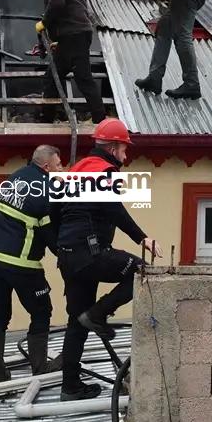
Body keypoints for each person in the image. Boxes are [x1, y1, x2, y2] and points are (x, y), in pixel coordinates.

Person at [54, 117, 160, 401]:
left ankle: (70, 387)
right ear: (113, 147)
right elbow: (114, 208)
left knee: (77, 322)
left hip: (68, 257)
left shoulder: (76, 170)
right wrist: (142, 238)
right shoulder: (104, 170)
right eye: (125, 148)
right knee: (140, 270)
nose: (127, 155)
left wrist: (62, 249)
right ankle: (99, 314)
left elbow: (56, 214)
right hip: (90, 252)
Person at [0, 144, 64, 382]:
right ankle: (40, 368)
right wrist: (68, 256)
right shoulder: (46, 189)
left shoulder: (16, 177)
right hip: (21, 263)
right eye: (58, 165)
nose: (62, 169)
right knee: (41, 310)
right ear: (46, 166)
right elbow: (50, 237)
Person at [37, 0, 106, 124]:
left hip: (72, 34)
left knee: (82, 78)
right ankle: (48, 118)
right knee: (54, 77)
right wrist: (56, 39)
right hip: (77, 34)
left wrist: (44, 22)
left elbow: (57, 2)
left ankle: (100, 120)